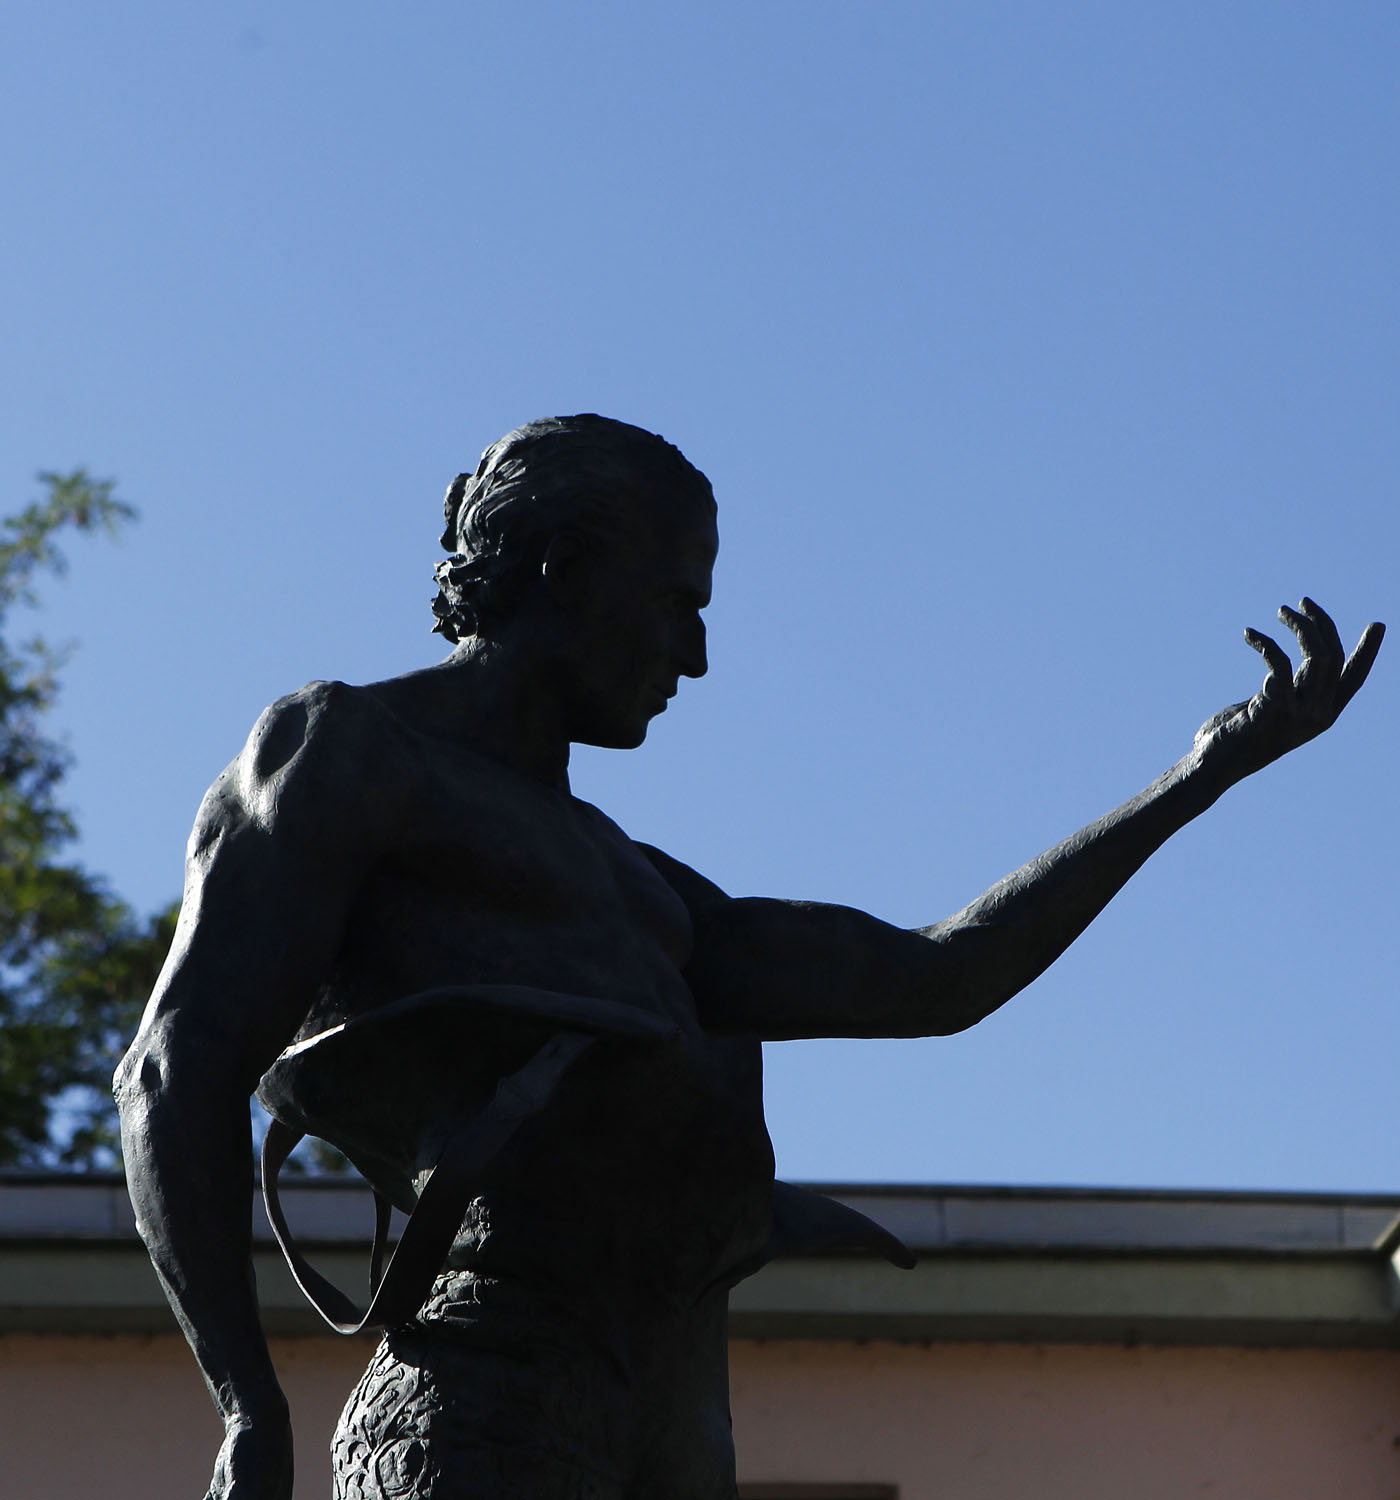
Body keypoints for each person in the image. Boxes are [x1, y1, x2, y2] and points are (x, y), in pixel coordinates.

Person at [116, 415, 1383, 1500]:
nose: (695, 656)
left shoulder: (654, 900)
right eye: (676, 604)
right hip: (492, 1388)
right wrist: (245, 1398)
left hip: (671, 1417)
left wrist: (1195, 779)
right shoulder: (346, 753)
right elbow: (175, 1068)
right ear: (564, 569)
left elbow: (933, 978)